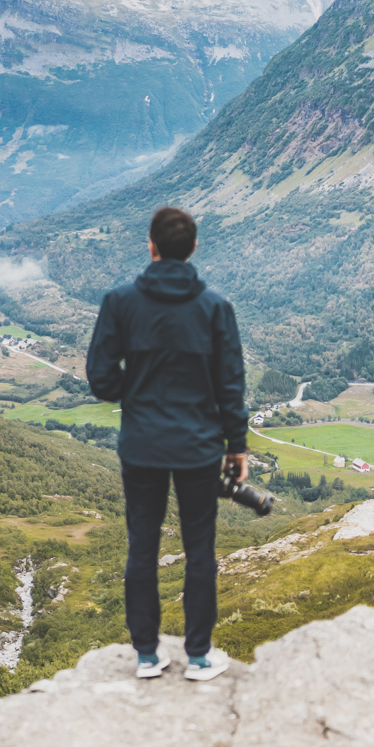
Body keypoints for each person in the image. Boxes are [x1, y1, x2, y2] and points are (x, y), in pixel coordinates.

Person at [86, 206, 248, 681]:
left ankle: (146, 655)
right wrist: (236, 447)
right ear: (193, 248)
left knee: (142, 546)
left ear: (151, 246)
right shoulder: (215, 307)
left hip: (141, 445)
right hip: (198, 447)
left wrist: (133, 393)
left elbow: (99, 377)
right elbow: (230, 385)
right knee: (200, 550)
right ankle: (198, 656)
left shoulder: (120, 302)